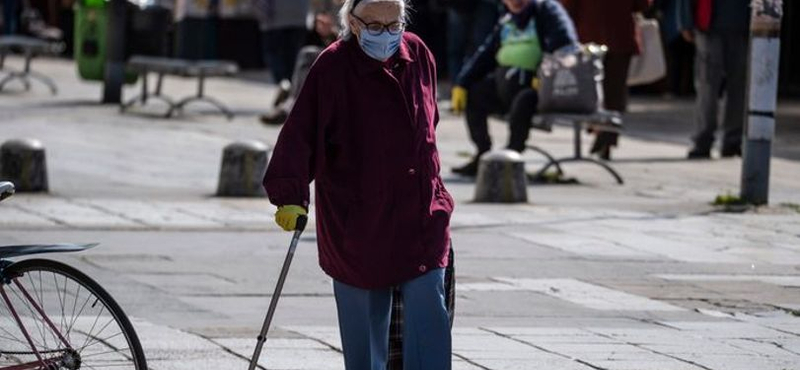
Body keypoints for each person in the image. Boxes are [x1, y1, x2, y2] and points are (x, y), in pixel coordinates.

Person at [262, 0, 454, 369]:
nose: (386, 34)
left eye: (394, 24)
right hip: (360, 220)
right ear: (352, 22)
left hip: (421, 214)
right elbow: (301, 133)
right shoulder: (332, 66)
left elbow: (429, 122)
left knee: (430, 320)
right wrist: (290, 194)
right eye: (375, 26)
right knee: (366, 337)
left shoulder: (418, 53)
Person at [451, 0, 578, 177]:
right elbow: (486, 54)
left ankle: (510, 157)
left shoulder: (546, 10)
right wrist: (462, 83)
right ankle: (483, 154)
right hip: (504, 84)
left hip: (537, 88)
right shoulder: (506, 17)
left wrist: (545, 73)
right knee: (475, 93)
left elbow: (566, 45)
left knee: (524, 101)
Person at [561, 0, 652, 160]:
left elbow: (568, 7)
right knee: (615, 91)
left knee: (591, 88)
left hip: (589, 35)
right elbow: (643, 4)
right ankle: (608, 135)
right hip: (619, 35)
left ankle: (600, 130)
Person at [680, 0, 751, 159]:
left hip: (740, 25)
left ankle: (733, 140)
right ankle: (703, 140)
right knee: (708, 86)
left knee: (738, 87)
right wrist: (685, 21)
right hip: (708, 25)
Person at [253, 0, 311, 84]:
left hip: (274, 19)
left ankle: (283, 85)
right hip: (299, 16)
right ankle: (291, 86)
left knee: (274, 55)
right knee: (293, 56)